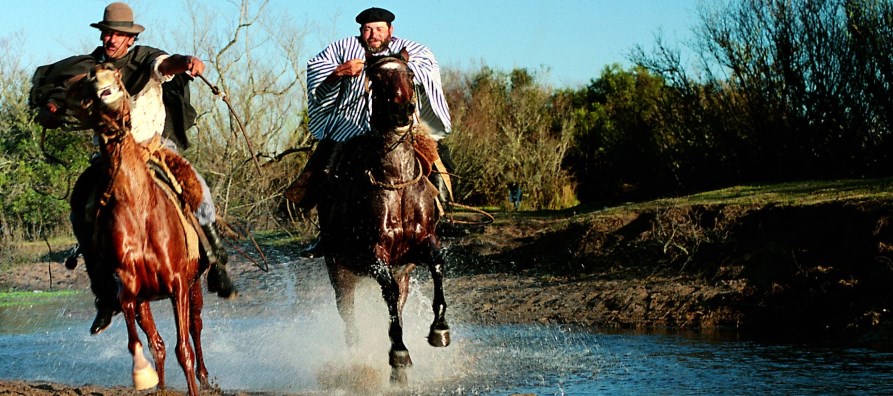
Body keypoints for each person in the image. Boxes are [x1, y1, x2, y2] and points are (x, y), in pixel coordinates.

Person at [30, 2, 235, 335]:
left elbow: (166, 64)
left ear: (129, 38)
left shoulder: (145, 59)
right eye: (108, 33)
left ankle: (217, 262)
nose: (111, 39)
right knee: (80, 202)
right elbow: (63, 95)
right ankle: (104, 295)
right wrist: (53, 107)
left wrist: (185, 62)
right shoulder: (90, 69)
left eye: (118, 34)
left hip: (152, 148)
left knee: (199, 190)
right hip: (111, 159)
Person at [289, 7, 454, 258]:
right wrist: (338, 72)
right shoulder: (342, 49)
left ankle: (443, 219)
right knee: (325, 169)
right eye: (368, 30)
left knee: (440, 165)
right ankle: (326, 235)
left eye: (378, 29)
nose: (373, 35)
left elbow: (426, 67)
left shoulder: (411, 49)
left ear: (390, 30)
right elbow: (315, 70)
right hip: (351, 126)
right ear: (361, 32)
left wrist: (397, 67)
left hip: (402, 129)